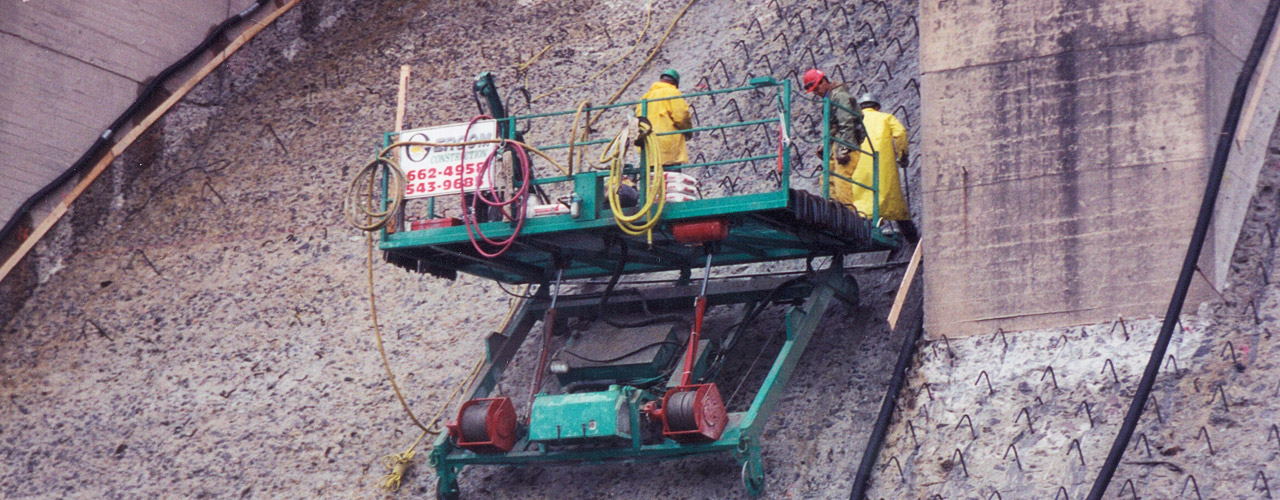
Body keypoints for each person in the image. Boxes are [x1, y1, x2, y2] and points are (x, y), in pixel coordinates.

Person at [855, 92, 917, 244]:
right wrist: (903, 156)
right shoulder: (886, 118)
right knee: (894, 203)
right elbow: (900, 133)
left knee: (864, 203)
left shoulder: (854, 121)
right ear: (876, 106)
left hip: (859, 169)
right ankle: (913, 238)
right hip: (883, 167)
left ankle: (864, 235)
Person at [802, 68, 866, 208]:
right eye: (812, 90)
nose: (815, 92)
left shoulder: (839, 97)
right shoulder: (829, 100)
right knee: (826, 180)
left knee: (842, 181)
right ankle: (836, 215)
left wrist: (844, 149)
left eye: (816, 87)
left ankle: (851, 217)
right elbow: (834, 128)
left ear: (824, 81)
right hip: (837, 145)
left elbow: (847, 123)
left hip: (848, 144)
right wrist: (825, 147)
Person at [635, 69, 693, 166]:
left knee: (652, 178)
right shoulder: (672, 92)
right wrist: (688, 131)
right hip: (668, 146)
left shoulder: (644, 97)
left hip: (648, 145)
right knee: (670, 177)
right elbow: (681, 116)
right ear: (674, 83)